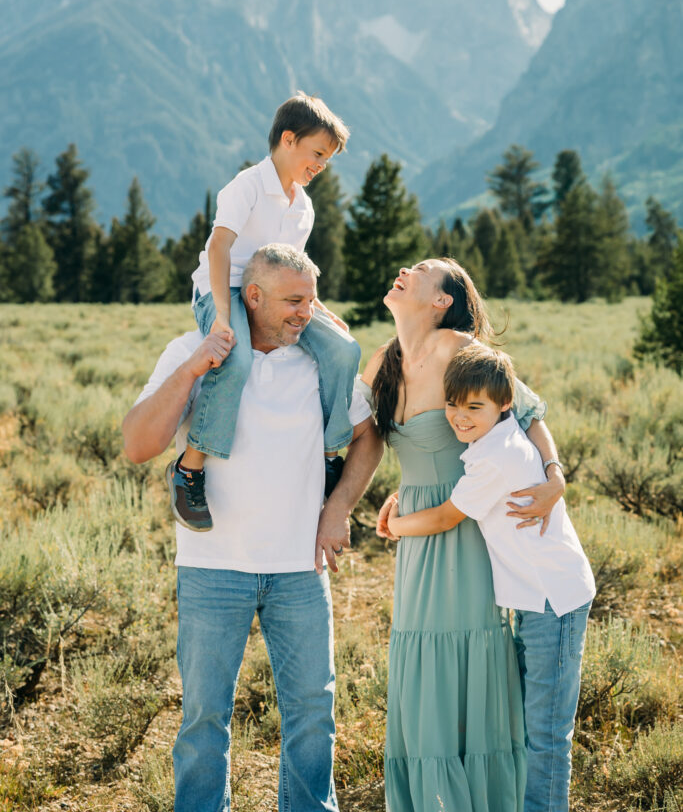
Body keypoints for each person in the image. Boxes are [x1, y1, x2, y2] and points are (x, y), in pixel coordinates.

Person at [122, 244, 383, 812]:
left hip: (298, 571)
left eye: (311, 301)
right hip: (213, 568)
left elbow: (370, 436)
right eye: (294, 301)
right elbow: (138, 444)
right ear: (253, 297)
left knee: (314, 716)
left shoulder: (319, 360)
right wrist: (194, 368)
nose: (305, 314)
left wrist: (337, 509)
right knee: (204, 721)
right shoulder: (193, 349)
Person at [361, 258, 566, 812]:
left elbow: (526, 411)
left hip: (467, 523)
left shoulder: (457, 349)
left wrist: (555, 477)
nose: (403, 268)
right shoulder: (382, 360)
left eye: (421, 269)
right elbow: (363, 439)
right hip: (416, 528)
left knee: (468, 648)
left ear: (441, 300)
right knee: (417, 654)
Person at [386, 344, 595, 812]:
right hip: (536, 598)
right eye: (453, 405)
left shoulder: (494, 456)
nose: (460, 417)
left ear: (505, 405)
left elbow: (444, 518)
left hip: (553, 600)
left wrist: (394, 526)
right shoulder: (494, 440)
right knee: (531, 724)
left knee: (545, 732)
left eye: (474, 407)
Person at [170, 91, 361, 532]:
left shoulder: (304, 207)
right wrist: (222, 315)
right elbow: (219, 248)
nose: (321, 165)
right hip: (226, 289)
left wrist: (322, 312)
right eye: (317, 153)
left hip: (275, 296)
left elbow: (293, 273)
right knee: (234, 358)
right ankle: (189, 468)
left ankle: (329, 457)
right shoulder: (247, 186)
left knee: (343, 351)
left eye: (328, 159)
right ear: (288, 139)